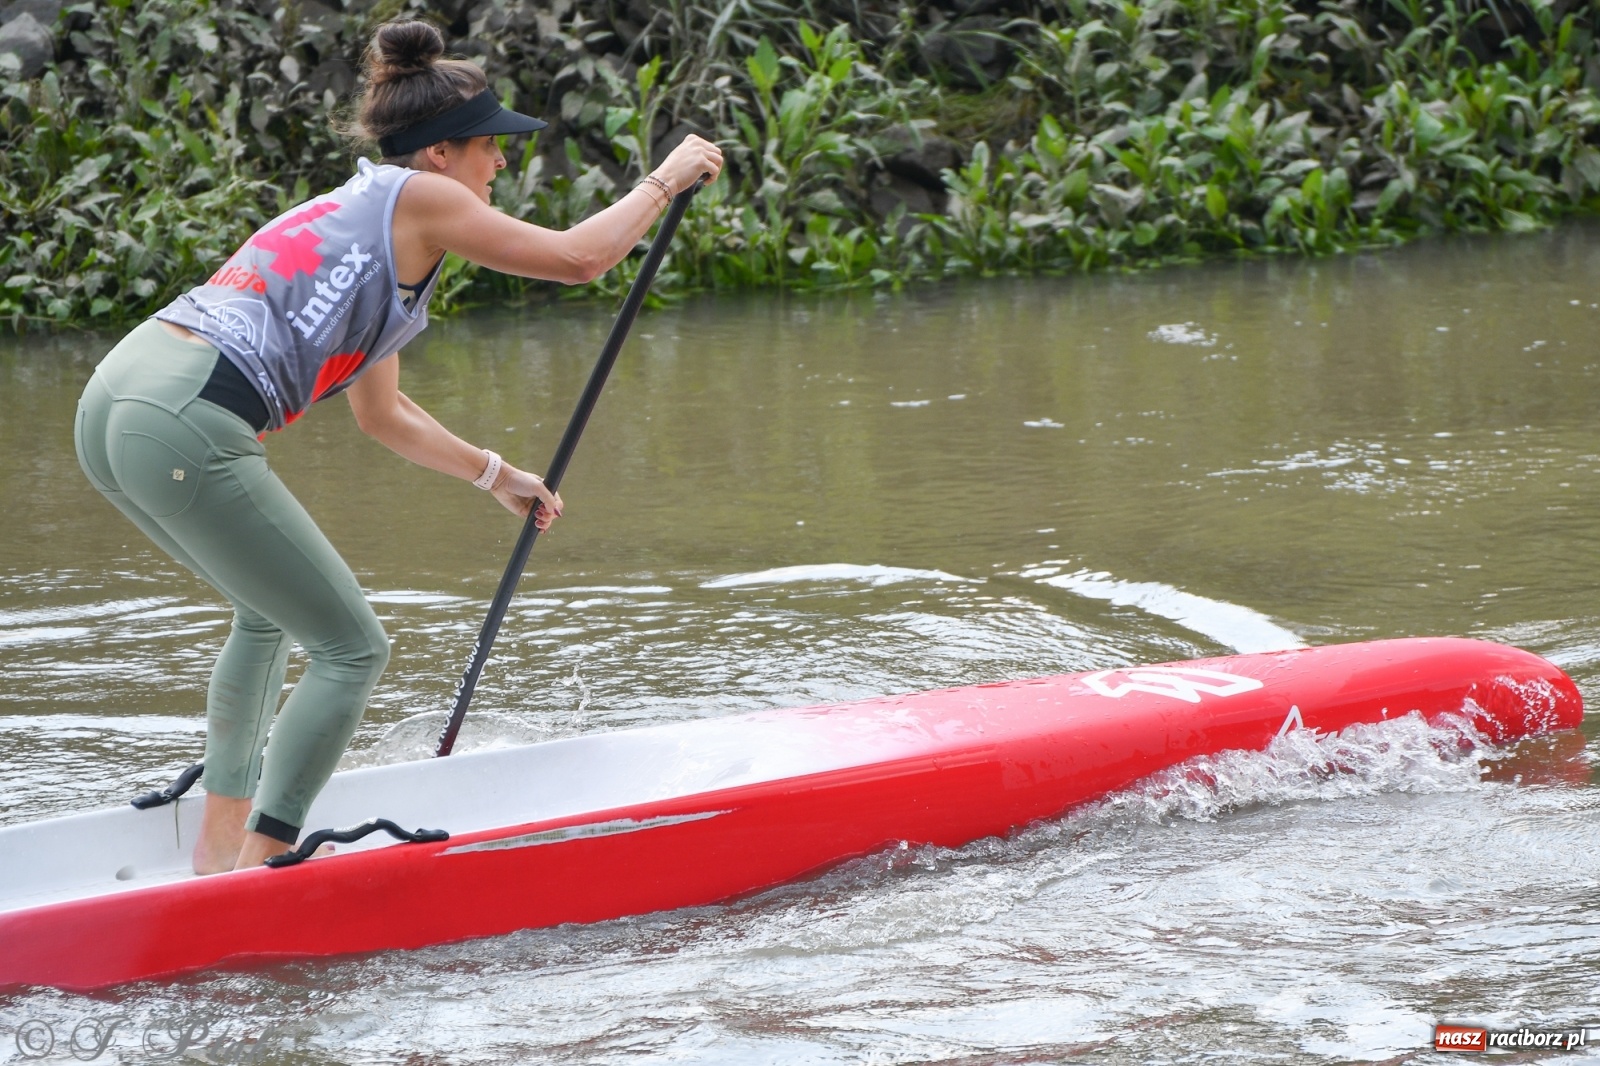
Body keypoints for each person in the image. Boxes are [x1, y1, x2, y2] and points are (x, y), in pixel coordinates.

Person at [72, 19, 723, 873]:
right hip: (185, 415)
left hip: (119, 399)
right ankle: (264, 867)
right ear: (441, 153)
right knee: (353, 648)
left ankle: (218, 851)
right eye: (491, 146)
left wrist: (496, 474)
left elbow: (382, 414)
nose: (502, 163)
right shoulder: (425, 198)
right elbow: (578, 259)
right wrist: (664, 180)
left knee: (268, 614)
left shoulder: (375, 221)